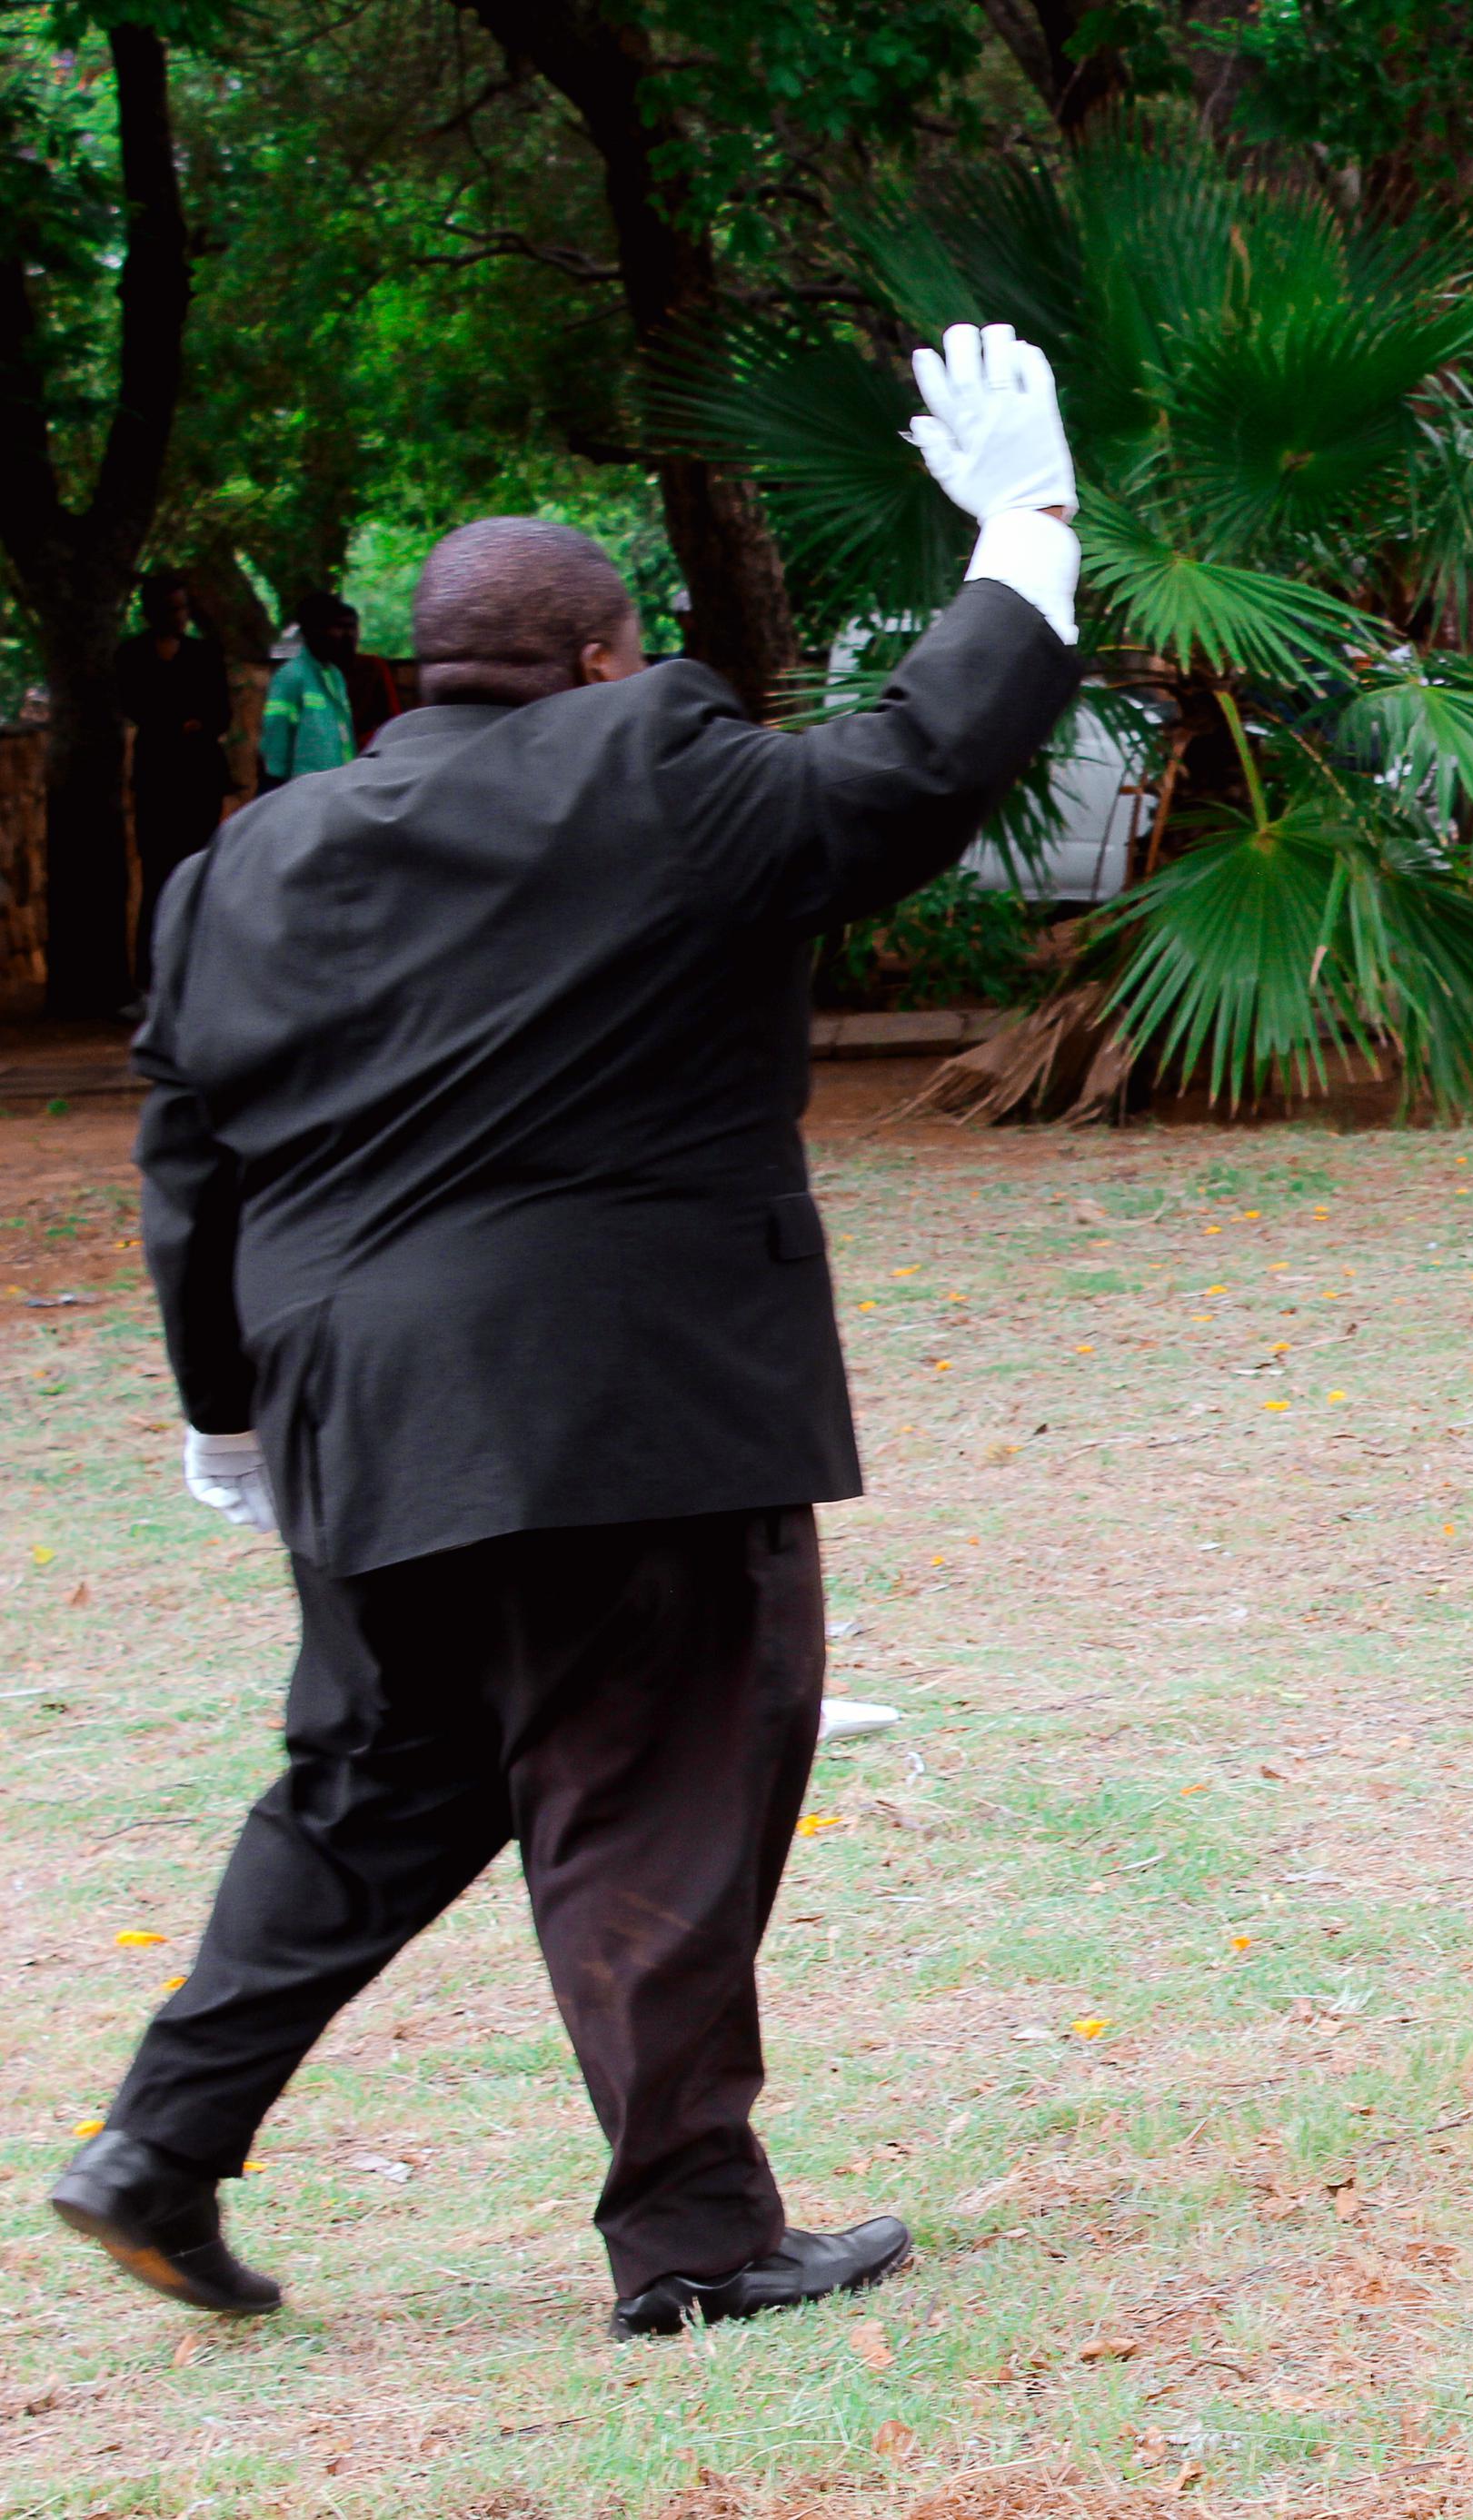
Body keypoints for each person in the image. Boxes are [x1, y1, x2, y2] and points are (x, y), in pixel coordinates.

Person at [44, 325, 1087, 2337]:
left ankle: (155, 2147)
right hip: (624, 1409)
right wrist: (1024, 533)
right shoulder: (655, 760)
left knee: (372, 1784)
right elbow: (905, 779)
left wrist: (223, 1415)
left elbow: (190, 1157)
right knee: (659, 1784)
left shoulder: (238, 865)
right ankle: (693, 2240)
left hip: (357, 1414)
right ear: (605, 656)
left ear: (427, 669)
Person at [111, 575, 237, 990]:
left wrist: (190, 725)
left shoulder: (204, 655)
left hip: (198, 779)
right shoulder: (132, 656)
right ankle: (151, 980)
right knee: (156, 877)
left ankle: (201, 977)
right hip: (156, 780)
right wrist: (178, 723)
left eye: (182, 609)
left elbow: (219, 714)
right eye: (170, 610)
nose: (178, 618)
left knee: (200, 870)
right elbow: (138, 708)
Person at [254, 596, 367, 793]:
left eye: (352, 628)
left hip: (337, 789)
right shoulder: (291, 676)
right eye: (339, 627)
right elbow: (275, 742)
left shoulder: (335, 676)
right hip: (302, 793)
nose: (349, 636)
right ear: (313, 631)